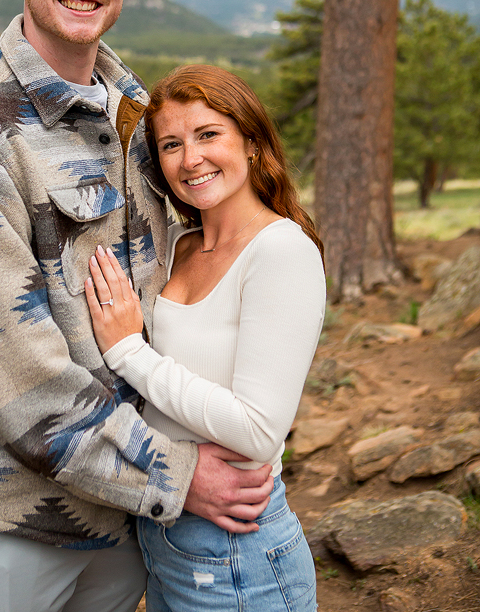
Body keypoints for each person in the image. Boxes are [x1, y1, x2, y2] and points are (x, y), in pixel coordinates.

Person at [0, 0, 274, 612]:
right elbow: (14, 370)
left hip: (120, 516)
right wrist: (175, 473)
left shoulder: (133, 110)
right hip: (10, 522)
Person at [85, 64, 326, 612]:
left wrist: (129, 353)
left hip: (238, 551)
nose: (190, 159)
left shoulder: (281, 251)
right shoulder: (176, 247)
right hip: (166, 535)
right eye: (171, 144)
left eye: (208, 134)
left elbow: (259, 432)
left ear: (253, 143)